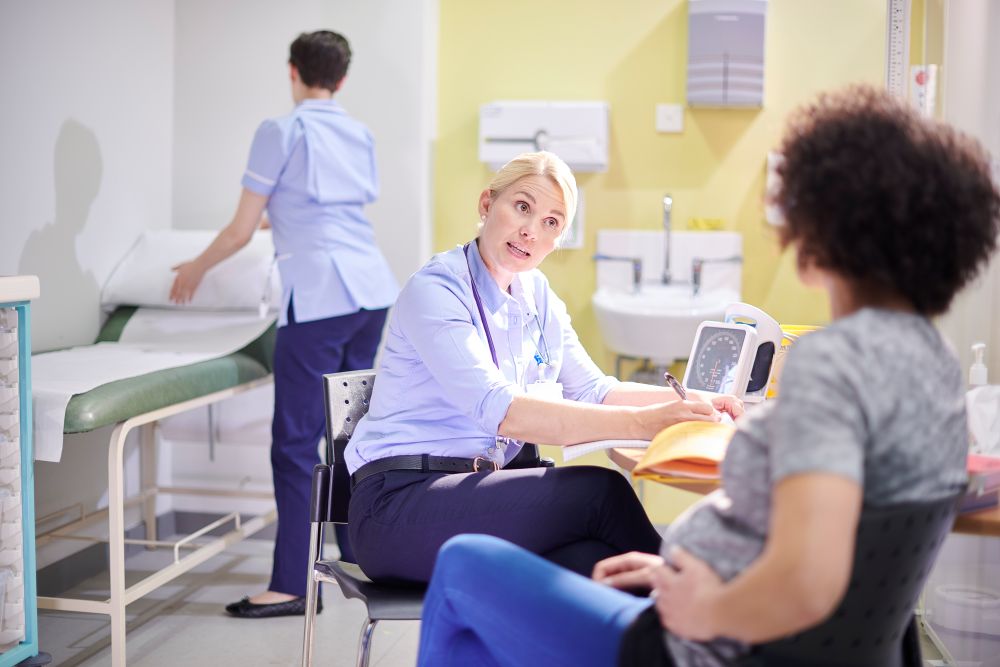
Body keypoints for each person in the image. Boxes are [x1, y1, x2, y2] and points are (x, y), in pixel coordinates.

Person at [415, 85, 1000, 666]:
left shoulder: (834, 365)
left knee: (464, 564)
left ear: (821, 232)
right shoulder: (936, 366)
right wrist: (677, 568)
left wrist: (706, 608)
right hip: (749, 623)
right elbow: (837, 546)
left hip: (698, 644)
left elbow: (811, 583)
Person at [345, 150, 743, 585]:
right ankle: (705, 603)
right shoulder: (438, 289)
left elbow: (595, 390)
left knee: (600, 564)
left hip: (476, 496)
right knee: (600, 493)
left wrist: (698, 402)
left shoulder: (535, 295)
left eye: (551, 222)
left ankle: (685, 611)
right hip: (397, 506)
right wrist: (644, 423)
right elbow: (501, 409)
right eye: (522, 207)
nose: (531, 231)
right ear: (487, 204)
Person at [169, 30, 399, 618]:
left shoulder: (281, 130)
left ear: (293, 71)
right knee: (348, 435)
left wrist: (194, 268)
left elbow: (240, 230)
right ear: (341, 79)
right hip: (371, 291)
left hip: (319, 299)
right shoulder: (359, 133)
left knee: (295, 445)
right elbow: (325, 209)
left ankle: (292, 585)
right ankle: (358, 553)